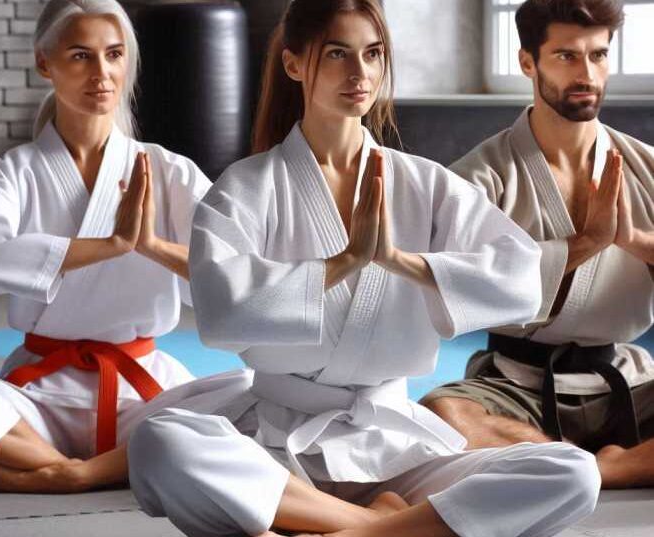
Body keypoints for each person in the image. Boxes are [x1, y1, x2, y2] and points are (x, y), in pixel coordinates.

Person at [127, 1, 601, 536]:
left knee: (573, 471)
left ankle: (353, 530)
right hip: (277, 445)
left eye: (372, 54)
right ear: (294, 65)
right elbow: (219, 305)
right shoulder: (247, 187)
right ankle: (379, 527)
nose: (360, 74)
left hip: (394, 445)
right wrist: (341, 263)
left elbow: (520, 277)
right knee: (160, 442)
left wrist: (406, 263)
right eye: (337, 54)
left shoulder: (424, 183)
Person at [0, 0, 236, 495]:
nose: (102, 73)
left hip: (144, 394)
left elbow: (233, 272)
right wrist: (107, 245)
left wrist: (151, 245)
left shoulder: (167, 171)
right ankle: (59, 463)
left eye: (114, 54)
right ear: (44, 62)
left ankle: (59, 474)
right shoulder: (13, 173)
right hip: (34, 400)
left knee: (250, 390)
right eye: (80, 56)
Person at [421, 0, 654, 490]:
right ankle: (619, 466)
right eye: (566, 56)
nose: (587, 73)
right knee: (440, 416)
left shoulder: (645, 167)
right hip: (516, 386)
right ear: (528, 61)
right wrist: (585, 243)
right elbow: (457, 295)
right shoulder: (478, 179)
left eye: (598, 55)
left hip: (628, 382)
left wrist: (634, 241)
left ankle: (584, 469)